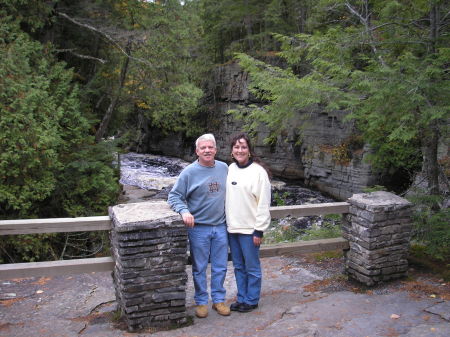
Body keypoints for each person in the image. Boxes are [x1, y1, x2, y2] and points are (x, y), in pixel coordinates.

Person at [167, 133, 230, 318]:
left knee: (221, 266)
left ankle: (218, 300)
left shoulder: (224, 168)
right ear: (197, 151)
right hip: (198, 228)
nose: (207, 150)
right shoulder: (189, 172)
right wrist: (184, 211)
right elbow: (174, 196)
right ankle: (201, 302)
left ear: (216, 150)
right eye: (203, 148)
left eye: (210, 147)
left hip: (220, 226)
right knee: (199, 267)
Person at [225, 133, 272, 313]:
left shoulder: (258, 172)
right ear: (231, 151)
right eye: (236, 147)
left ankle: (252, 300)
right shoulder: (230, 169)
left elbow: (263, 204)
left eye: (243, 147)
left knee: (251, 267)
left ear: (249, 151)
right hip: (232, 228)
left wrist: (259, 230)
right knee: (238, 266)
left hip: (250, 230)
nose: (240, 150)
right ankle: (242, 297)